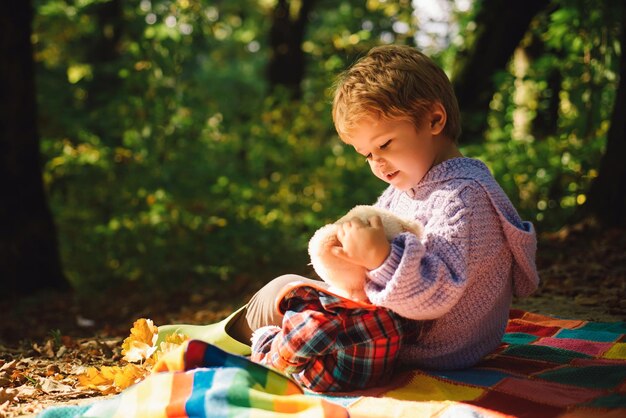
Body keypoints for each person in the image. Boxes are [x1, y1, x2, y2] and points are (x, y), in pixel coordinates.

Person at [158, 44, 539, 375]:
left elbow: (433, 295)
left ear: (434, 119)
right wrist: (348, 247)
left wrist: (380, 258)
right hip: (399, 330)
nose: (379, 163)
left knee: (286, 293)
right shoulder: (410, 185)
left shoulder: (463, 198)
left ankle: (222, 342)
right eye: (367, 154)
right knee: (292, 291)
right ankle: (225, 334)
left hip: (429, 348)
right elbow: (381, 236)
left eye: (386, 144)